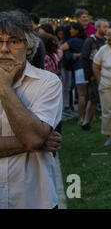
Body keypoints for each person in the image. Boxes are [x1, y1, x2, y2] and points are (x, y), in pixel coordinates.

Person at [0, 11, 62, 208]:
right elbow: (34, 140)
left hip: (34, 198)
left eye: (13, 41)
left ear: (28, 47)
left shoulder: (48, 83)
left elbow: (34, 138)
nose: (4, 49)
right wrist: (34, 142)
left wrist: (5, 89)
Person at [79, 19, 109, 131]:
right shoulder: (90, 41)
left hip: (106, 74)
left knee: (101, 99)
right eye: (104, 27)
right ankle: (86, 122)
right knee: (93, 99)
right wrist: (89, 75)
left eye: (107, 27)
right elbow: (84, 58)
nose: (107, 29)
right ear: (97, 27)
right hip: (94, 74)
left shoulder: (106, 40)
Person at [59, 22, 88, 125]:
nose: (70, 31)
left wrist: (72, 55)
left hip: (79, 68)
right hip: (88, 68)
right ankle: (90, 116)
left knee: (81, 95)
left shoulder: (72, 41)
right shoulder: (86, 40)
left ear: (77, 30)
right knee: (87, 94)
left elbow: (60, 49)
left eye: (72, 29)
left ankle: (81, 118)